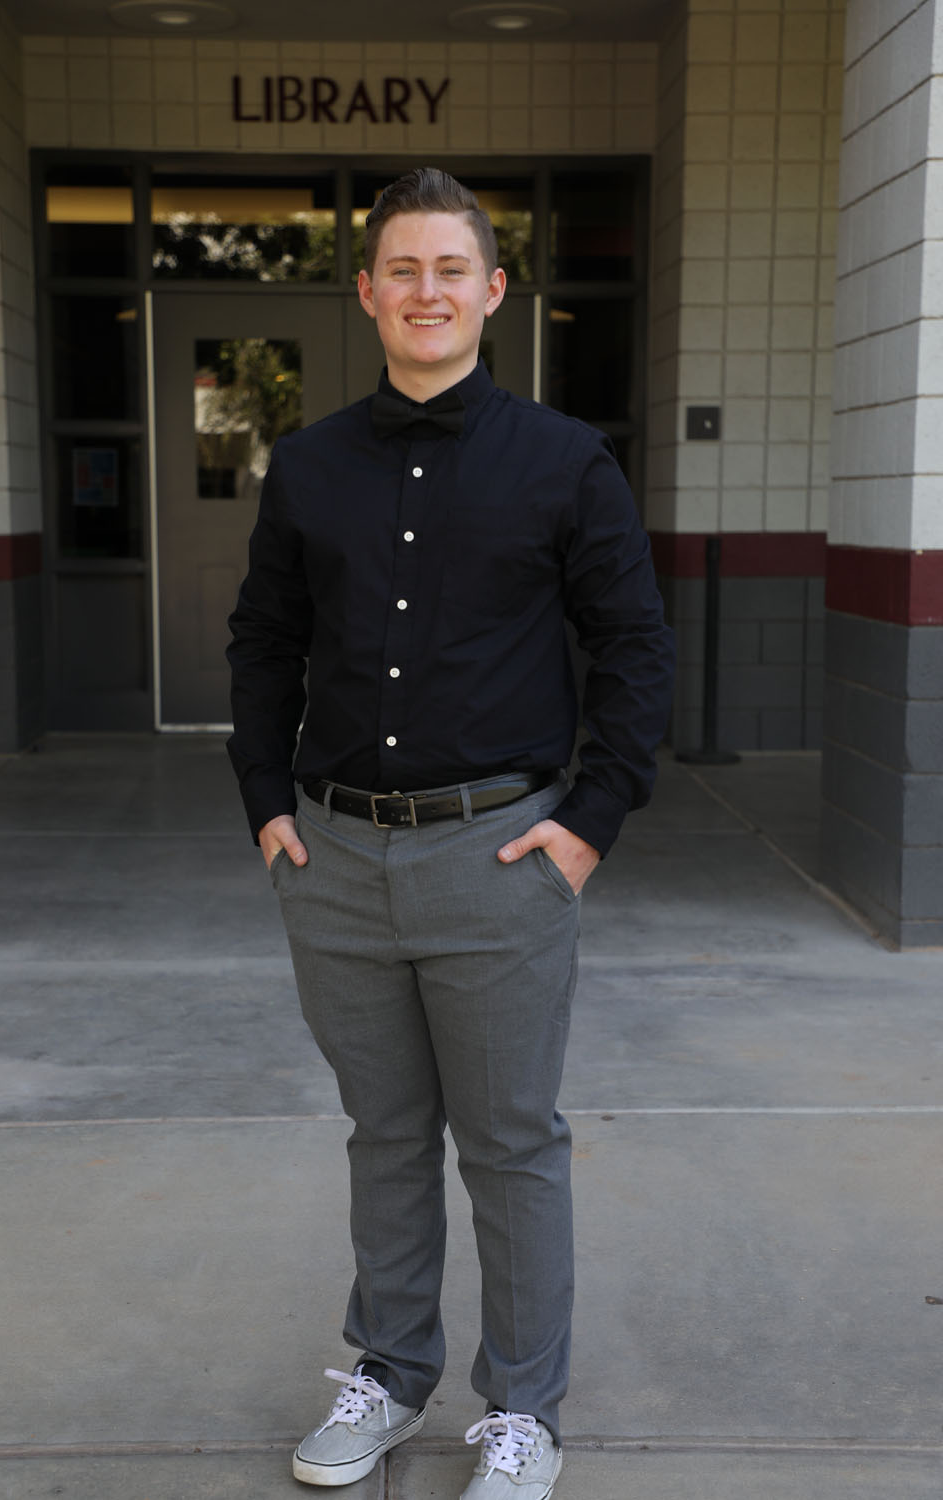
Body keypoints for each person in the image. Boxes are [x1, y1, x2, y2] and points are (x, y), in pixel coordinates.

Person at [226, 166, 674, 1499]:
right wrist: (265, 805)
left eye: (451, 270)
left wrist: (590, 822)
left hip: (500, 859)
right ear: (367, 293)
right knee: (382, 1134)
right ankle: (390, 1370)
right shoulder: (306, 468)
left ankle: (522, 1408)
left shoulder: (563, 460)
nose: (428, 291)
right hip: (337, 858)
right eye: (402, 270)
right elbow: (264, 647)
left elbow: (635, 648)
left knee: (511, 1144)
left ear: (491, 290)